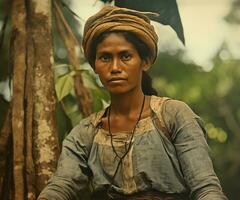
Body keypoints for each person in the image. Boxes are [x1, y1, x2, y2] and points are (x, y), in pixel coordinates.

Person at [38, 5, 228, 200]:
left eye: (125, 56)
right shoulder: (85, 134)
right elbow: (62, 185)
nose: (114, 67)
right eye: (105, 57)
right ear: (95, 65)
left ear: (144, 62)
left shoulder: (174, 115)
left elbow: (206, 188)